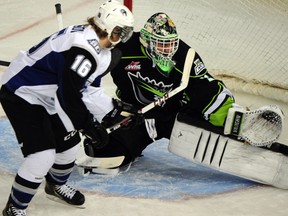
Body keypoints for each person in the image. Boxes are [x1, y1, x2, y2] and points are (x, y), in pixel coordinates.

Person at [0, 0, 135, 215]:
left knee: (70, 146)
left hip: (50, 93)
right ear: (110, 28)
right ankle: (15, 207)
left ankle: (55, 185)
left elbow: (87, 90)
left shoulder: (101, 51)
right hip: (22, 92)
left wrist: (113, 110)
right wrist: (89, 126)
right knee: (42, 156)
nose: (123, 39)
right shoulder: (83, 50)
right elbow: (70, 97)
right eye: (121, 32)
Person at [82, 12, 235, 168]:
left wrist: (229, 113)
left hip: (177, 116)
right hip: (138, 116)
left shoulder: (185, 55)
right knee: (103, 151)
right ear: (146, 41)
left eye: (170, 43)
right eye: (161, 44)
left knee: (214, 110)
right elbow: (89, 72)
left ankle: (237, 124)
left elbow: (206, 87)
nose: (167, 50)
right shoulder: (123, 49)